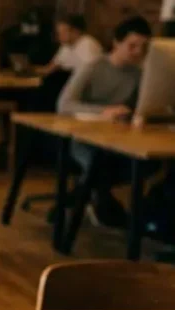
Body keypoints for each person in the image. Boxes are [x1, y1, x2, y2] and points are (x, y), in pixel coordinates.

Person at [58, 16, 153, 228]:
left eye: (144, 47)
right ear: (116, 43)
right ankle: (101, 203)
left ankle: (80, 196)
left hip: (116, 138)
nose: (138, 52)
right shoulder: (94, 67)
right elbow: (64, 105)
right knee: (99, 164)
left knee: (148, 164)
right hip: (82, 137)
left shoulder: (138, 75)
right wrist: (103, 112)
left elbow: (139, 107)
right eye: (132, 46)